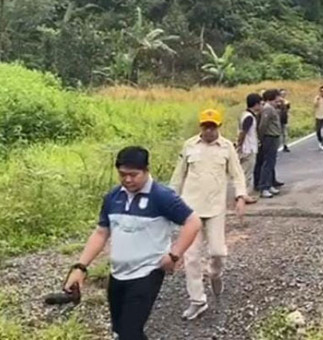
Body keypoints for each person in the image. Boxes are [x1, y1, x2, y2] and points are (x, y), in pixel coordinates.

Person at [63, 147, 202, 339]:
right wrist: (80, 267)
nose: (127, 180)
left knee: (129, 333)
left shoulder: (162, 196)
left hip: (147, 272)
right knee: (121, 332)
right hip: (118, 274)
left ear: (146, 170)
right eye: (122, 174)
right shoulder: (113, 197)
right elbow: (101, 233)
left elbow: (193, 222)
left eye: (133, 175)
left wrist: (174, 254)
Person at [170, 109, 247, 321]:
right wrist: (169, 202)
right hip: (190, 209)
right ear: (200, 127)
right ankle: (197, 301)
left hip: (215, 209)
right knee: (191, 256)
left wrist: (240, 197)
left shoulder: (226, 147)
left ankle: (215, 274)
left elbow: (237, 174)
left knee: (218, 251)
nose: (209, 130)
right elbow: (178, 176)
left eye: (213, 126)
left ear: (219, 127)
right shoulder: (189, 146)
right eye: (206, 126)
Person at [257, 89, 283, 198]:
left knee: (271, 162)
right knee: (267, 163)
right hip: (269, 137)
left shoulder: (272, 108)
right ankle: (264, 187)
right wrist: (261, 137)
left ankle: (269, 184)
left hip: (274, 137)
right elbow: (263, 125)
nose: (279, 99)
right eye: (277, 97)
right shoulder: (268, 109)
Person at [237, 93, 262, 203]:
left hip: (246, 147)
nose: (261, 106)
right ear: (255, 104)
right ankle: (244, 195)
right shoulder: (249, 117)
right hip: (248, 148)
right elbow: (243, 133)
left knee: (243, 172)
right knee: (246, 173)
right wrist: (240, 144)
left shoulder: (244, 114)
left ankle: (241, 194)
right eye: (260, 104)